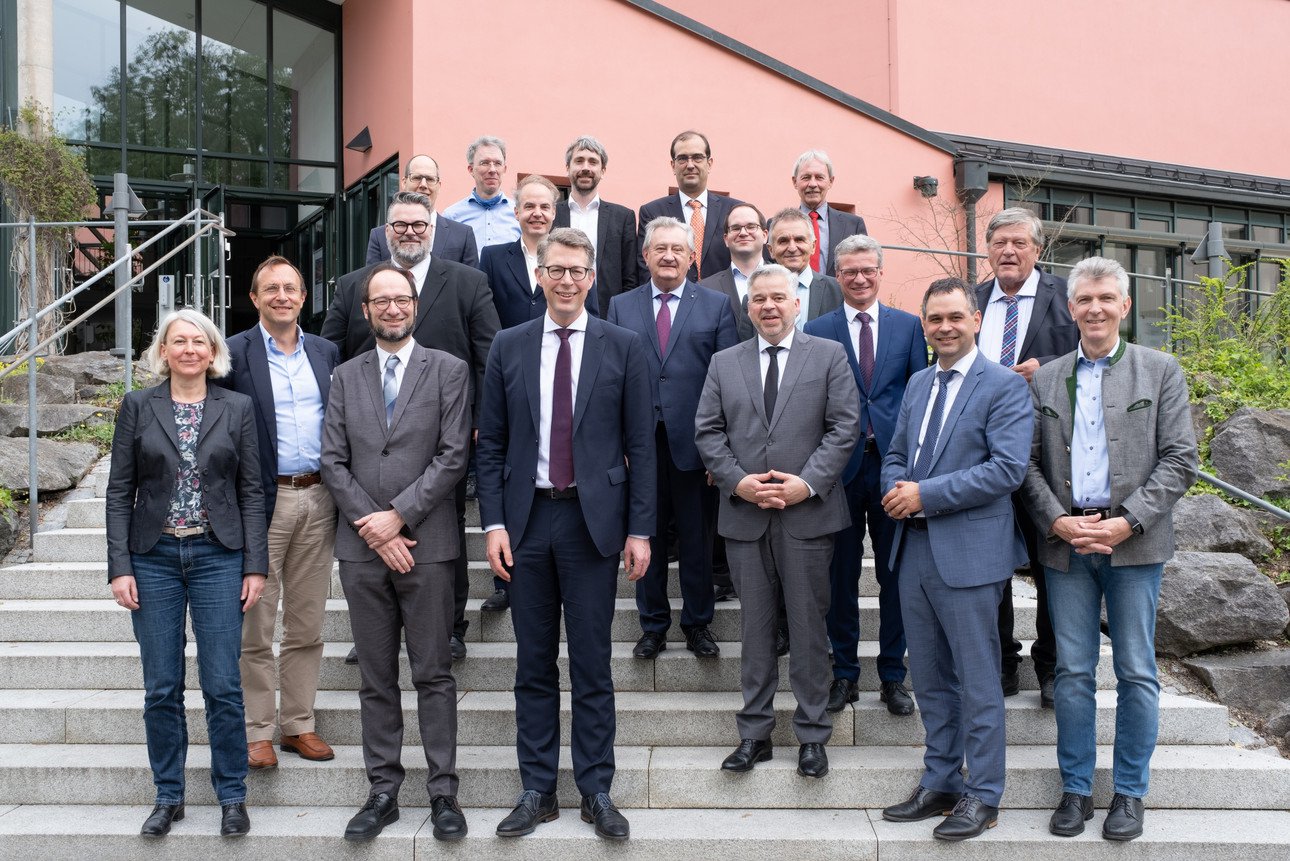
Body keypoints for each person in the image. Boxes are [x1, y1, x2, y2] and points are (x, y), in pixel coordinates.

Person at [477, 227, 654, 842]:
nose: (567, 280)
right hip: (526, 523)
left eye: (577, 270)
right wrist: (493, 522)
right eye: (556, 269)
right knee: (532, 663)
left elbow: (640, 446)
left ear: (593, 275)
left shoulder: (624, 345)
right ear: (541, 276)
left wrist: (640, 529)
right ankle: (537, 789)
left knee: (592, 663)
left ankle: (596, 789)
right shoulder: (509, 344)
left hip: (592, 523)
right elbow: (492, 443)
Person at [1021, 256, 1196, 842]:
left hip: (1134, 546)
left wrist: (1128, 522)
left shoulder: (1160, 370)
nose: (1094, 309)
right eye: (1084, 300)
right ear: (1070, 309)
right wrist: (1057, 522)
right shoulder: (1046, 378)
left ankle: (1129, 791)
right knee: (1071, 671)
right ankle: (1075, 789)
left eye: (1106, 299)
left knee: (1136, 671)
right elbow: (1026, 465)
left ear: (1124, 305)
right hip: (1068, 545)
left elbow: (1180, 460)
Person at [320, 263, 472, 843]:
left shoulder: (449, 371)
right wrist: (375, 529)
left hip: (428, 546)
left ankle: (443, 794)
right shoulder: (344, 376)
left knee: (433, 673)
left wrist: (399, 517)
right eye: (380, 301)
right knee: (377, 677)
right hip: (362, 551)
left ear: (414, 305)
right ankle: (382, 791)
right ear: (365, 310)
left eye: (401, 299)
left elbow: (453, 455)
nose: (391, 309)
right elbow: (332, 459)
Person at [879, 278, 1032, 841]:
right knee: (930, 677)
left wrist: (926, 494)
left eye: (954, 317)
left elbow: (1006, 469)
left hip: (969, 550)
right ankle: (940, 778)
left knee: (977, 678)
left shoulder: (1003, 387)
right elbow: (896, 452)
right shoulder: (919, 383)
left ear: (975, 320)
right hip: (913, 547)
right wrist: (896, 486)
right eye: (933, 319)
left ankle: (984, 793)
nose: (943, 327)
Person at [106, 309, 268, 839]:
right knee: (161, 685)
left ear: (213, 351)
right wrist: (119, 567)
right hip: (152, 558)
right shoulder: (137, 406)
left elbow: (251, 491)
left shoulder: (238, 407)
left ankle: (231, 795)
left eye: (199, 341)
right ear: (164, 350)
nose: (190, 350)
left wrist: (255, 565)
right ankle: (168, 794)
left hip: (219, 556)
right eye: (179, 341)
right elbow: (118, 492)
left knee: (222, 683)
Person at [695, 263, 859, 781]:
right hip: (744, 514)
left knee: (810, 628)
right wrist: (738, 482)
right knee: (756, 627)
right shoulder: (725, 362)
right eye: (758, 298)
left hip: (807, 514)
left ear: (796, 304)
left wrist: (805, 484)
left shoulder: (829, 356)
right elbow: (707, 432)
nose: (768, 306)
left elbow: (844, 427)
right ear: (748, 307)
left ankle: (812, 735)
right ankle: (755, 734)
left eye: (778, 298)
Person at [323, 190, 498, 660]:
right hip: (368, 436)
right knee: (374, 524)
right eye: (399, 225)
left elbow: (488, 355)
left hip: (443, 433)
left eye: (419, 225)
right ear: (384, 232)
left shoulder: (467, 282)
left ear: (433, 230)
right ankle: (375, 633)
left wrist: (480, 421)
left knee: (448, 529)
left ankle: (451, 625)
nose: (409, 232)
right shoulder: (354, 286)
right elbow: (329, 352)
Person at [219, 256, 341, 771]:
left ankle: (299, 724)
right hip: (259, 502)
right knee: (256, 623)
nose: (282, 296)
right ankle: (256, 731)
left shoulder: (326, 351)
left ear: (304, 296)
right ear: (254, 298)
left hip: (319, 497)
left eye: (291, 288)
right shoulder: (231, 353)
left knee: (308, 622)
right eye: (271, 288)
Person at [803, 235, 925, 716]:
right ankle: (844, 673)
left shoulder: (909, 327)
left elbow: (919, 396)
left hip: (894, 469)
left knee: (896, 573)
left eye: (867, 270)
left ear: (880, 272)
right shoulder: (817, 328)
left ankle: (894, 675)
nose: (858, 278)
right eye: (849, 271)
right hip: (839, 469)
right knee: (841, 574)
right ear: (837, 275)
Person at [609, 216, 738, 661]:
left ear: (691, 257)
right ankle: (653, 626)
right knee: (645, 536)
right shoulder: (621, 306)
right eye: (659, 248)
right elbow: (611, 381)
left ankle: (698, 624)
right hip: (638, 446)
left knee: (698, 540)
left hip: (697, 446)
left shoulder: (717, 306)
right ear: (645, 257)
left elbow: (726, 380)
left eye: (676, 249)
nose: (668, 256)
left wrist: (718, 451)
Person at [974, 207, 1078, 703]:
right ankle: (1001, 661)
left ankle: (1052, 666)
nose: (1009, 252)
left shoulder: (1068, 298)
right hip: (981, 451)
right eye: (999, 243)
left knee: (1049, 559)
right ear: (988, 250)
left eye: (1019, 243)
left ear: (1038, 250)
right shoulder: (971, 300)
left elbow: (1095, 355)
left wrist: (1050, 369)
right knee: (990, 559)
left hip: (1048, 449)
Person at [482, 174, 601, 330]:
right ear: (516, 212)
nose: (537, 213)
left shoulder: (576, 257)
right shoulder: (492, 258)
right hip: (509, 351)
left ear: (553, 212)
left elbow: (591, 315)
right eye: (529, 206)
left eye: (544, 207)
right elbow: (483, 317)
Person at [637, 130, 743, 283]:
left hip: (723, 301)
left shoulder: (733, 210)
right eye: (682, 159)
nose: (690, 165)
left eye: (697, 157)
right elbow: (645, 265)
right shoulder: (652, 212)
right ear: (673, 166)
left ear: (709, 163)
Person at [554, 135, 638, 316]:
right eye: (579, 161)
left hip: (608, 316)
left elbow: (630, 277)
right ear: (568, 168)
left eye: (593, 162)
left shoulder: (623, 217)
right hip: (559, 312)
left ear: (603, 170)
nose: (585, 168)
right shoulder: (552, 215)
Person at [365, 154, 478, 267]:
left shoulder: (463, 235)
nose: (423, 185)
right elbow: (372, 280)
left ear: (439, 186)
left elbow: (470, 282)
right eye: (417, 178)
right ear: (404, 182)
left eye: (429, 179)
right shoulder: (379, 236)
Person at [787, 149, 867, 277]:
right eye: (806, 177)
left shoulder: (853, 225)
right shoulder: (777, 225)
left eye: (819, 177)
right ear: (795, 182)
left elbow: (863, 267)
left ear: (830, 181)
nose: (813, 184)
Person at [700, 203, 768, 343]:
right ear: (726, 239)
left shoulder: (785, 280)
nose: (743, 233)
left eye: (751, 226)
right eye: (735, 228)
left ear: (765, 235)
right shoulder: (705, 289)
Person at [443, 135, 522, 251]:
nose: (492, 170)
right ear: (471, 170)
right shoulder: (452, 216)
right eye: (485, 163)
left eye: (497, 163)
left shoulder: (520, 214)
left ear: (504, 169)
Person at [767, 207, 843, 326]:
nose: (792, 248)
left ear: (813, 246)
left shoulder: (838, 291)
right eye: (783, 241)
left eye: (799, 240)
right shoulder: (754, 295)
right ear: (771, 250)